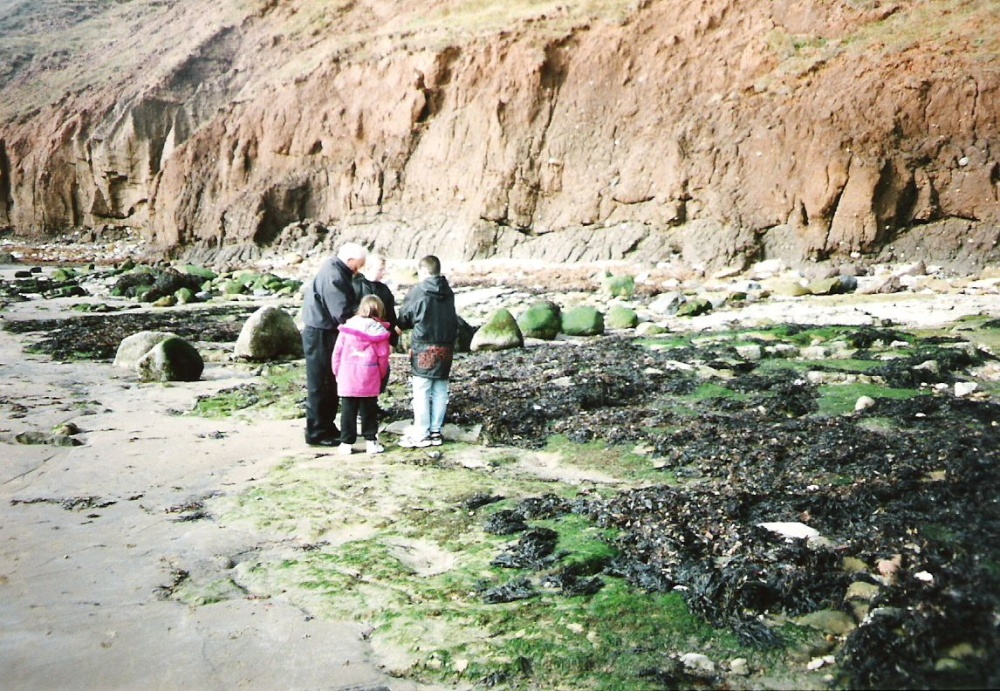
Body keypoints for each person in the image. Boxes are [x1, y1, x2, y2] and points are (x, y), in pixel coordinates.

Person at [300, 242, 367, 446]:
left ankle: (325, 427)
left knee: (329, 382)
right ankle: (317, 432)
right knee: (321, 384)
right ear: (349, 260)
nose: (359, 270)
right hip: (320, 334)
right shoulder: (334, 276)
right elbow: (342, 312)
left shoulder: (335, 270)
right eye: (358, 265)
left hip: (323, 331)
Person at [395, 255, 458, 448]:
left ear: (423, 271)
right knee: (440, 389)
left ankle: (421, 434)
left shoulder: (419, 291)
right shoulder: (448, 291)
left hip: (424, 345)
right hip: (446, 345)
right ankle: (435, 432)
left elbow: (406, 317)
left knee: (422, 390)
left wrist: (397, 328)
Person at [331, 294, 391, 455]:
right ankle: (371, 442)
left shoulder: (347, 328)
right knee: (369, 410)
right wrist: (381, 376)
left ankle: (346, 443)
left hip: (347, 375)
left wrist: (337, 372)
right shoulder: (380, 332)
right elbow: (383, 358)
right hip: (369, 374)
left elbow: (337, 353)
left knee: (348, 410)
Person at [352, 253, 399, 349]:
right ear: (369, 268)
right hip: (359, 337)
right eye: (381, 269)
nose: (384, 272)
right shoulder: (355, 286)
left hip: (380, 337)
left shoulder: (384, 290)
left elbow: (391, 316)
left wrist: (392, 339)